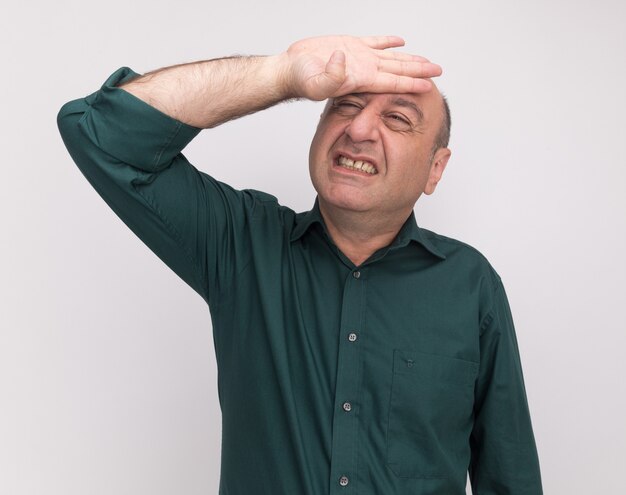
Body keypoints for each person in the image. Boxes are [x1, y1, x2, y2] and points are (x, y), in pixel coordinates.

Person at [58, 35, 542, 494]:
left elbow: (510, 477)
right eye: (345, 106)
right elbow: (98, 130)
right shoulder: (243, 245)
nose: (358, 129)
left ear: (435, 168)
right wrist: (282, 74)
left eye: (396, 119)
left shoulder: (470, 285)